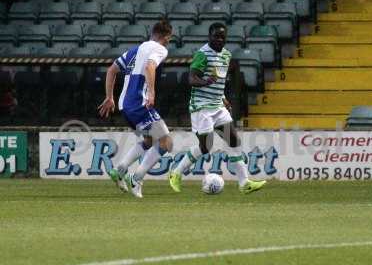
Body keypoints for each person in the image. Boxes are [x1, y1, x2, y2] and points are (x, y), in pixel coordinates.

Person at [169, 22, 266, 194]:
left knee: (234, 140)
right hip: (201, 107)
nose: (219, 39)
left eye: (222, 36)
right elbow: (191, 79)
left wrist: (223, 98)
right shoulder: (203, 54)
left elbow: (219, 81)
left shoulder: (226, 55)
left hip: (217, 106)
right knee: (206, 147)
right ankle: (176, 173)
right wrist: (205, 82)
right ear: (209, 36)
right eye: (216, 36)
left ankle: (244, 183)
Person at [98, 20, 173, 198]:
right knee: (166, 142)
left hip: (124, 106)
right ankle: (137, 178)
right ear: (167, 37)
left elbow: (111, 70)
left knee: (148, 140)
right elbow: (149, 66)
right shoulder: (160, 48)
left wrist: (110, 97)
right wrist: (152, 92)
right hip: (139, 102)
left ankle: (120, 170)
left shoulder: (135, 50)